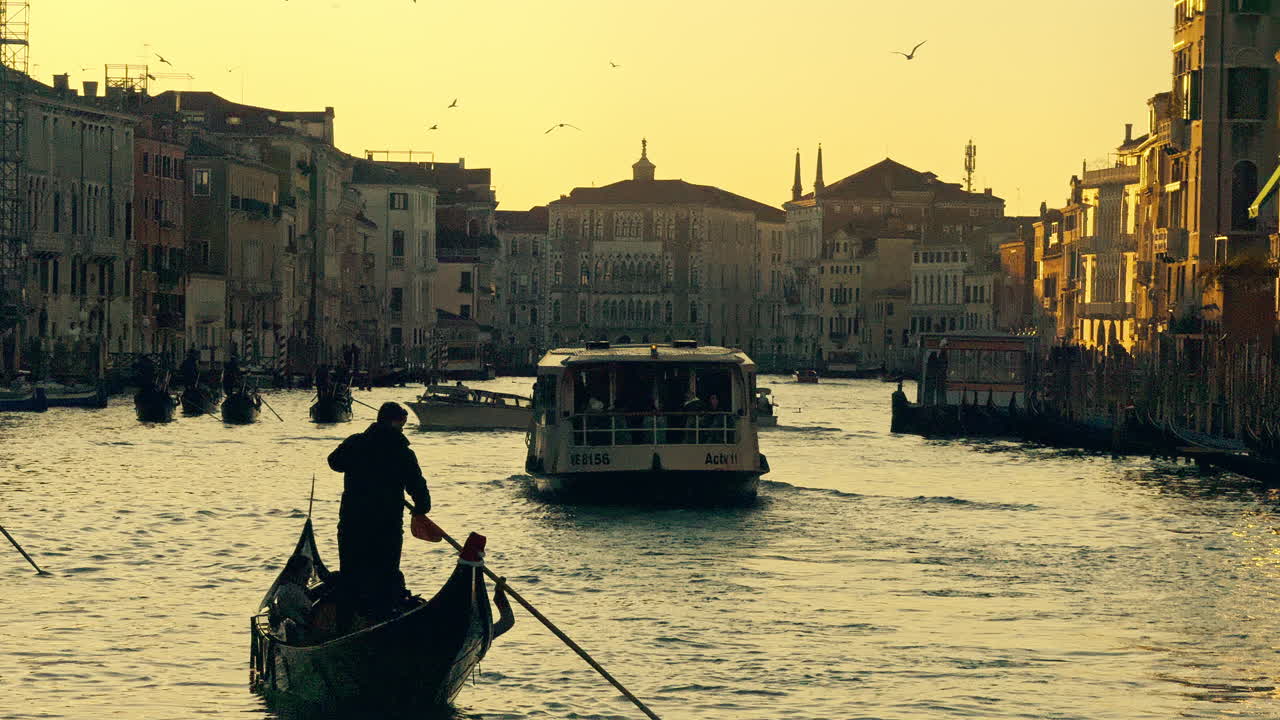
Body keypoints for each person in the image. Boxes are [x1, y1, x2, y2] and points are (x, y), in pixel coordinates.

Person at [327, 402, 433, 623]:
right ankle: (381, 620)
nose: (403, 428)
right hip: (387, 524)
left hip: (352, 522)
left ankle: (345, 623)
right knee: (385, 574)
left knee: (351, 573)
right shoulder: (403, 453)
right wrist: (421, 510)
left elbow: (334, 462)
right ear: (394, 421)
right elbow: (418, 488)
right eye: (402, 424)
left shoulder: (356, 443)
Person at [268, 553, 314, 643]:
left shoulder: (287, 587)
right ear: (297, 572)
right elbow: (310, 615)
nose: (310, 576)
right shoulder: (292, 591)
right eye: (307, 571)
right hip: (300, 636)